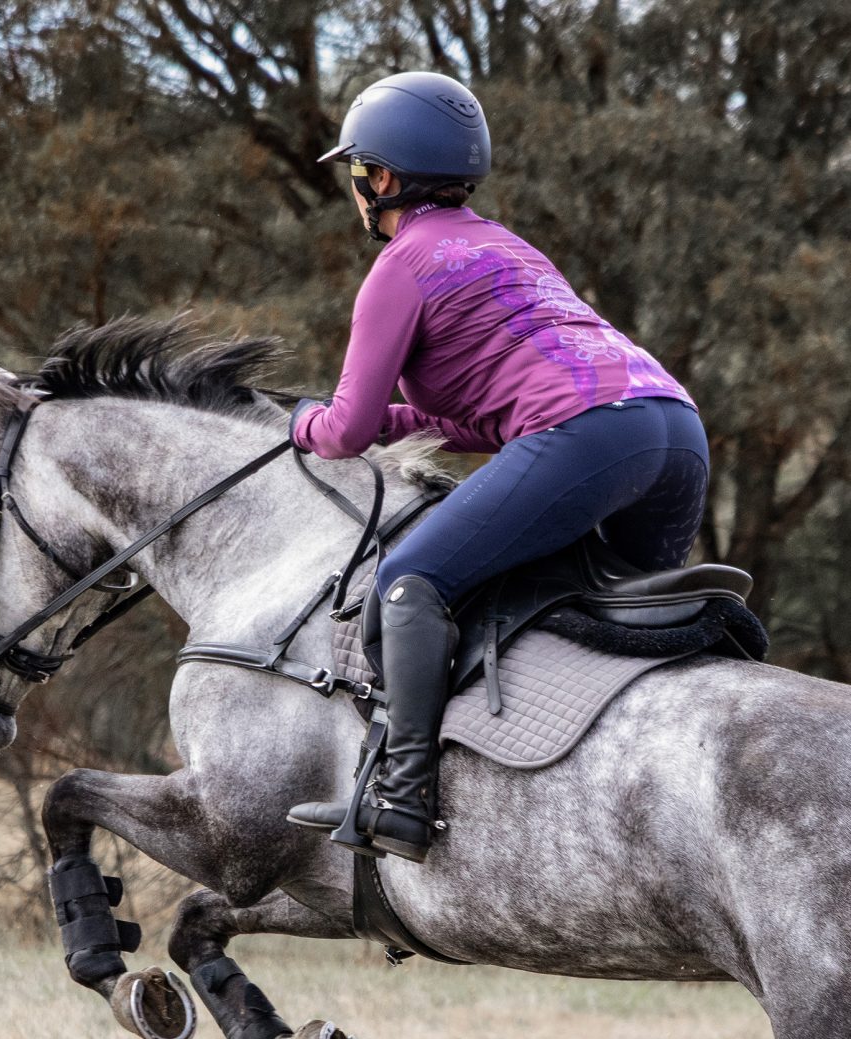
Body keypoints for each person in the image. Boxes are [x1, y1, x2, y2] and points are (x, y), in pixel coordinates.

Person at [286, 71, 709, 865]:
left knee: (410, 583)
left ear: (381, 178)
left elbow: (340, 432)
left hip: (588, 435)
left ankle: (402, 798)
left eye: (357, 175)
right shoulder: (507, 246)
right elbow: (489, 411)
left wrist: (299, 419)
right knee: (585, 619)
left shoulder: (403, 265)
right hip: (675, 432)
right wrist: (393, 423)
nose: (357, 192)